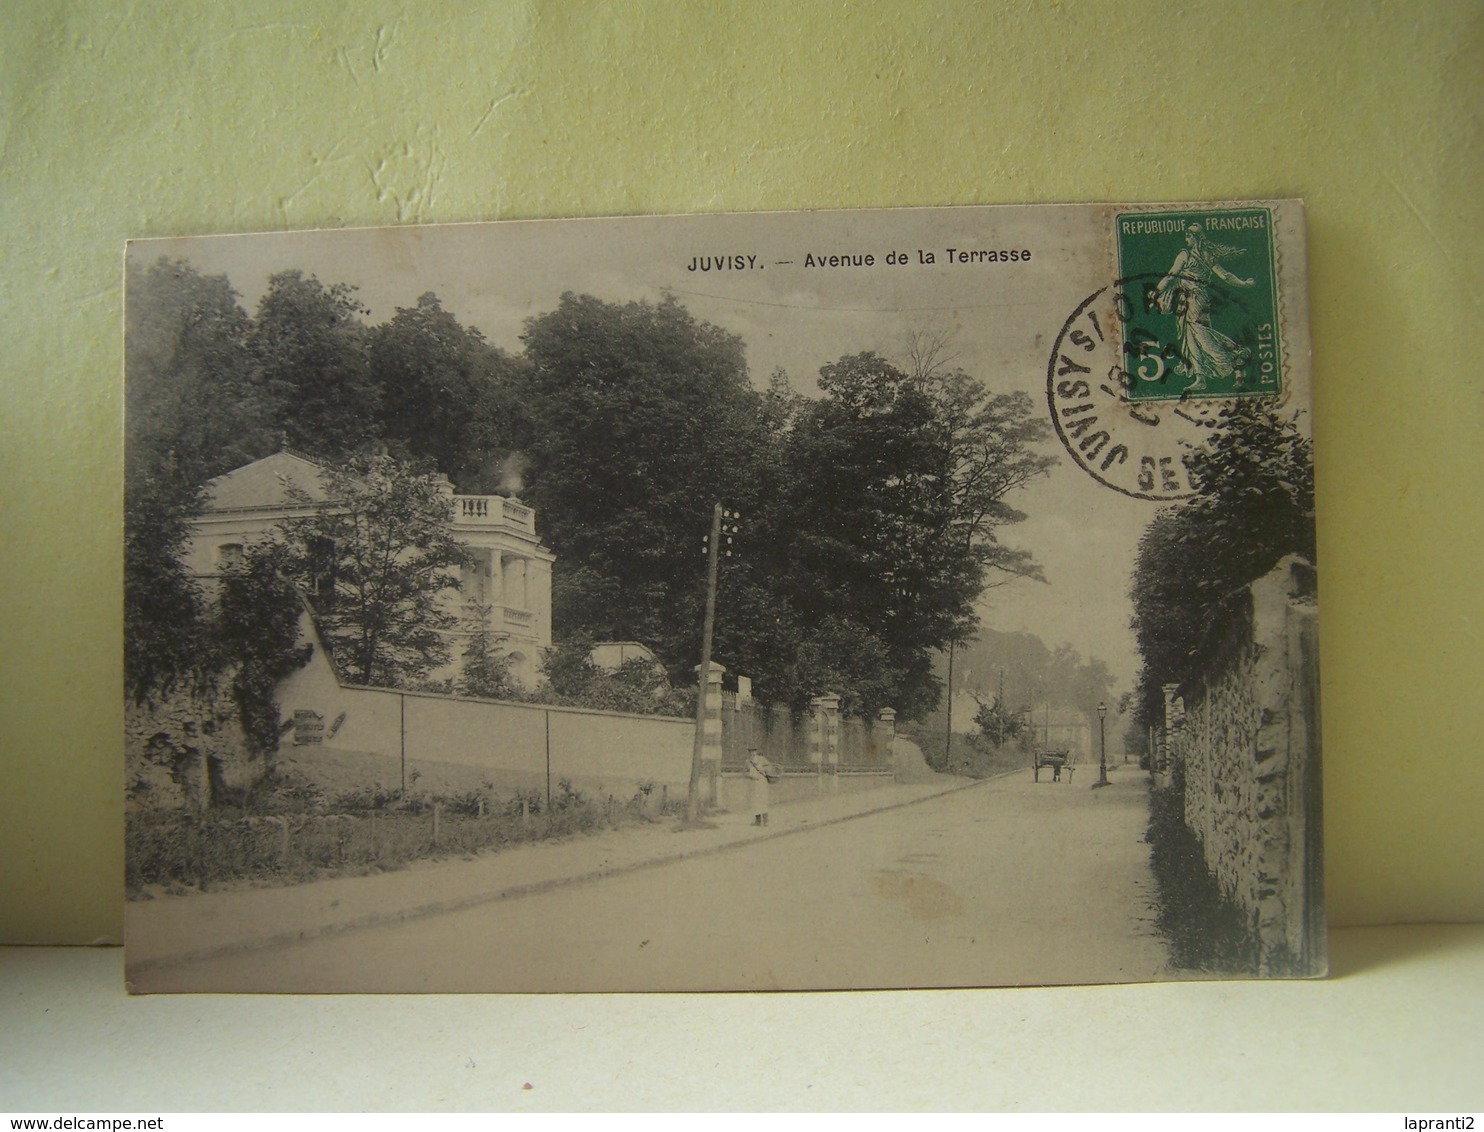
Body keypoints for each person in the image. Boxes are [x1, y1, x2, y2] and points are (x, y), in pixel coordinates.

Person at [1153, 222, 1257, 392]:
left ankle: (1234, 356)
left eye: (1188, 236)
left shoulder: (1184, 255)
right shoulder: (1207, 256)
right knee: (1193, 336)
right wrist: (1244, 284)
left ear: (1195, 238)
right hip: (1198, 299)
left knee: (1199, 334)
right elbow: (1226, 276)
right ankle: (1202, 377)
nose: (1186, 239)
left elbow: (1171, 275)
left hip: (1192, 299)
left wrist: (1157, 291)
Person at [746, 747, 774, 827]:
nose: (752, 753)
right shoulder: (747, 761)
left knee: (763, 800)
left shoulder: (761, 759)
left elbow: (769, 766)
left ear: (756, 752)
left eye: (754, 751)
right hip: (753, 783)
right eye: (750, 751)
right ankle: (757, 821)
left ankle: (765, 821)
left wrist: (762, 768)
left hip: (762, 782)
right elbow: (744, 771)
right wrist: (749, 775)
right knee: (755, 802)